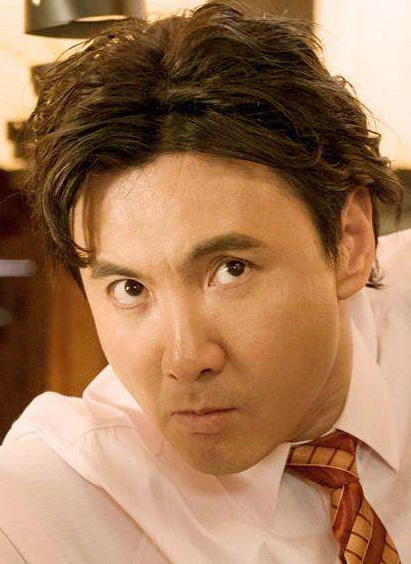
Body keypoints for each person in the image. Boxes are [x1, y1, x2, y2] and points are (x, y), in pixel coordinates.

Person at [0, 1, 410, 562]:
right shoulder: (45, 499)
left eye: (230, 270)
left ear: (350, 242)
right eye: (130, 289)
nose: (185, 358)